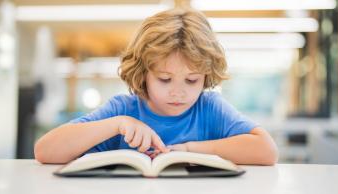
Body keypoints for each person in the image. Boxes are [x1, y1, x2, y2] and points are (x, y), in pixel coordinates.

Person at [34, 8, 278, 165]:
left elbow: (267, 151)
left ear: (206, 75)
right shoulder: (123, 110)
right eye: (164, 79)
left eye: (192, 80)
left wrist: (188, 149)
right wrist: (117, 125)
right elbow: (45, 151)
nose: (178, 92)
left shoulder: (209, 109)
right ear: (144, 74)